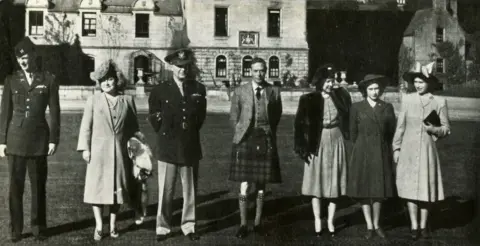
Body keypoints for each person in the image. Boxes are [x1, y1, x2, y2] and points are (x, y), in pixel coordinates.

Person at [0, 37, 60, 243]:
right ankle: (16, 230)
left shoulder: (48, 80)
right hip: (15, 140)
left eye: (26, 57)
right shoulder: (11, 80)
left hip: (38, 141)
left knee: (38, 188)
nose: (23, 61)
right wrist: (1, 142)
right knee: (15, 188)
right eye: (20, 58)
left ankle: (38, 228)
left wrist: (53, 139)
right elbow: (4, 113)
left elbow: (55, 113)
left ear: (34, 56)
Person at [77, 59, 142, 241]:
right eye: (103, 79)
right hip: (98, 153)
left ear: (117, 80)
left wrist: (136, 151)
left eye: (110, 79)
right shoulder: (93, 100)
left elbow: (134, 129)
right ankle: (99, 226)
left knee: (117, 190)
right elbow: (86, 127)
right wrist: (85, 148)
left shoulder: (127, 100)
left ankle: (113, 225)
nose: (107, 82)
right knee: (96, 190)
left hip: (120, 154)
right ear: (99, 82)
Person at [148, 48, 206, 242]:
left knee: (189, 189)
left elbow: (200, 118)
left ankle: (189, 225)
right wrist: (166, 134)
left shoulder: (198, 88)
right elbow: (154, 116)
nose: (182, 70)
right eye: (179, 66)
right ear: (171, 66)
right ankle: (163, 226)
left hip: (189, 145)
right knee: (166, 189)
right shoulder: (160, 90)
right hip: (168, 146)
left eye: (186, 66)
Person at [392, 62, 451, 240]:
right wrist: (396, 148)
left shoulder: (439, 101)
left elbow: (447, 128)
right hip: (408, 150)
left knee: (426, 188)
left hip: (427, 150)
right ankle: (414, 225)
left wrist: (434, 129)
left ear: (429, 83)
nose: (418, 85)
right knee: (410, 188)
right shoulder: (408, 99)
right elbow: (400, 127)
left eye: (421, 82)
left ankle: (424, 226)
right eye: (416, 82)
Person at [294, 64, 351, 238]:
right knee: (316, 183)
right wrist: (303, 147)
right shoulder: (308, 99)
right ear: (319, 82)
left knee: (334, 182)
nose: (329, 84)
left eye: (332, 80)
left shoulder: (340, 96)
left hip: (336, 139)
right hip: (316, 142)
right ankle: (318, 219)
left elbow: (348, 115)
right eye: (326, 81)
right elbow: (299, 125)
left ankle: (331, 220)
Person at [229, 57, 283, 239]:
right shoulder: (240, 91)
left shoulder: (273, 90)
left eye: (262, 70)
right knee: (244, 183)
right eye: (255, 71)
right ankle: (243, 223)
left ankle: (258, 222)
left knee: (261, 184)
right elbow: (234, 116)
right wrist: (241, 132)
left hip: (265, 138)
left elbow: (276, 114)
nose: (259, 74)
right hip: (246, 139)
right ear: (250, 72)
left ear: (265, 71)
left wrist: (266, 131)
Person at [346, 74, 396, 239]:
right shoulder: (356, 107)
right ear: (364, 90)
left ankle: (377, 223)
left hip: (381, 152)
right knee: (364, 189)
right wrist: (360, 147)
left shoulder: (387, 107)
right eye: (371, 89)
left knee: (378, 189)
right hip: (362, 151)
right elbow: (352, 133)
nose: (374, 92)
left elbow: (391, 131)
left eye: (377, 89)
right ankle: (369, 225)